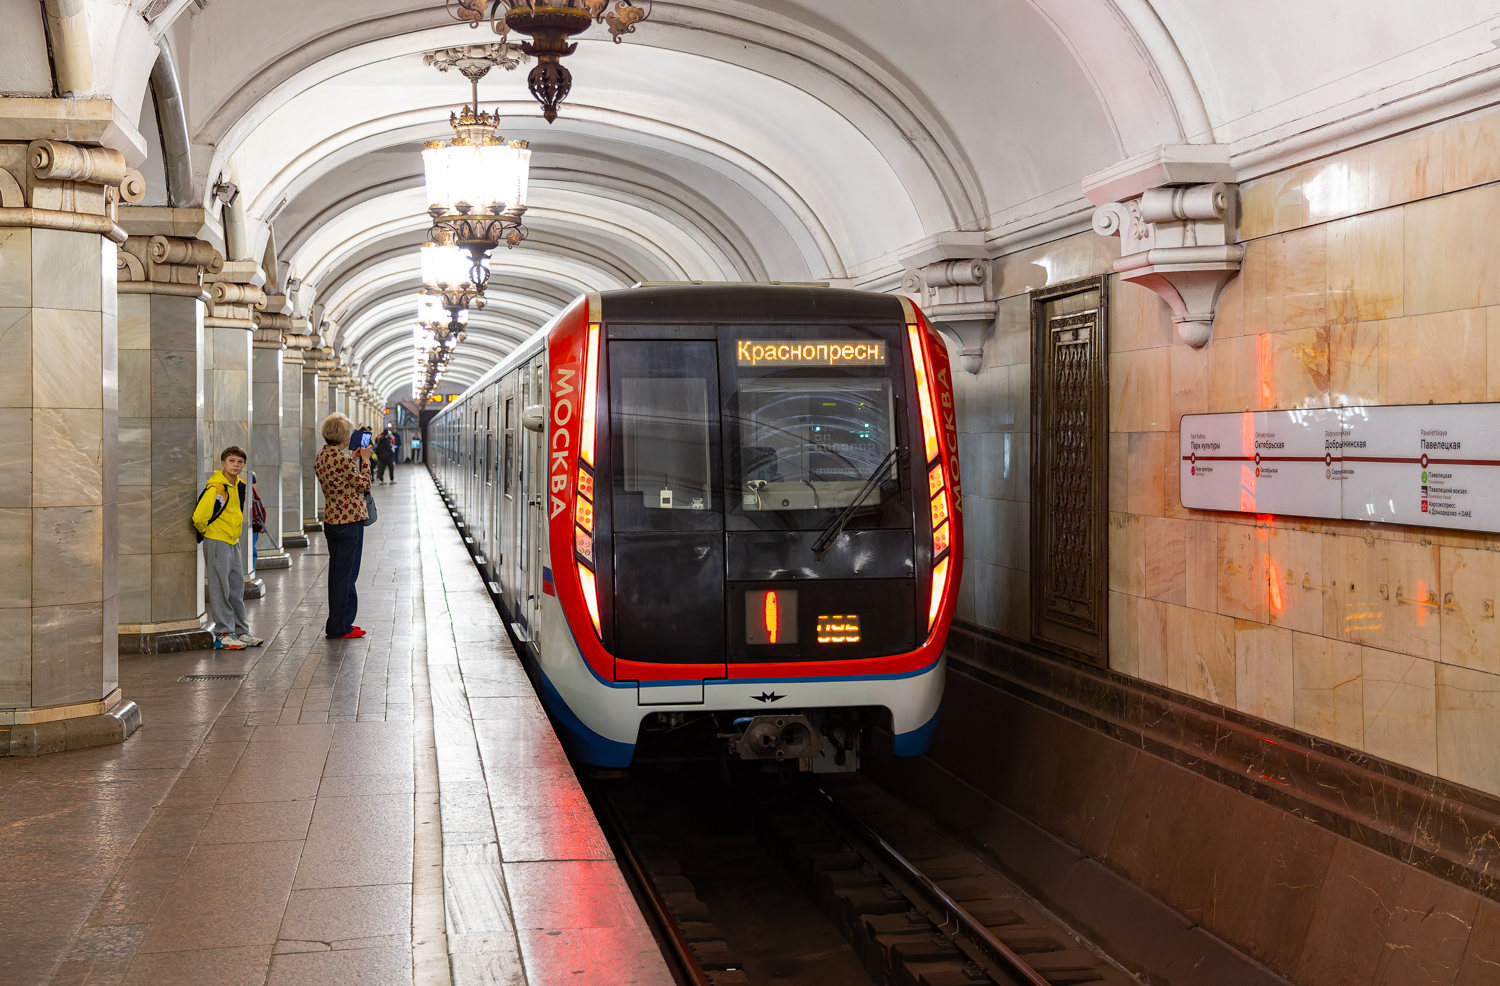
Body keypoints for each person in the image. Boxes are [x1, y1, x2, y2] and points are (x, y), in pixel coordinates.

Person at [193, 446, 263, 649]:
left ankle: (241, 632)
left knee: (235, 588)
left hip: (233, 540)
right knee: (219, 587)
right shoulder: (216, 487)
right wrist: (211, 533)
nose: (236, 465)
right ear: (222, 463)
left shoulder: (239, 485)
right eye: (231, 461)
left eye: (240, 462)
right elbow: (199, 517)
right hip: (217, 540)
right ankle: (223, 633)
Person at [315, 412, 372, 639]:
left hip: (333, 521)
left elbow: (342, 478)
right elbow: (364, 484)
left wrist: (353, 458)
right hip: (350, 523)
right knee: (347, 576)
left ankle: (339, 622)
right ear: (344, 436)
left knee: (337, 575)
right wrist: (365, 460)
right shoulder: (342, 459)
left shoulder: (323, 456)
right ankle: (340, 627)